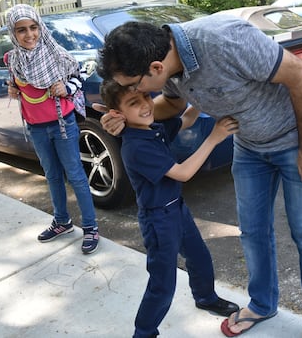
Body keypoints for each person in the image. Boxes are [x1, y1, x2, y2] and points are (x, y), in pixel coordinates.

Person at [95, 17, 302, 338]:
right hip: (250, 145)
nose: (135, 91)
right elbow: (172, 103)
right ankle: (263, 303)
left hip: (298, 138)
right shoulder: (164, 67)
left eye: (134, 85)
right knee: (252, 232)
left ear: (155, 68)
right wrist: (126, 121)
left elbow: (301, 75)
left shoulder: (224, 41)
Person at [100, 79, 240, 337]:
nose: (145, 105)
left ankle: (205, 297)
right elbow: (183, 173)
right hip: (158, 220)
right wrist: (214, 138)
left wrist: (199, 101)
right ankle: (144, 332)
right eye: (134, 103)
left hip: (177, 209)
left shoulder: (151, 128)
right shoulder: (136, 146)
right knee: (162, 285)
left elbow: (185, 120)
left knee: (199, 258)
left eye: (145, 97)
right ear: (117, 114)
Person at [4, 4, 99, 254]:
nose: (29, 34)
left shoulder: (57, 55)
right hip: (36, 128)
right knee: (52, 175)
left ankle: (90, 227)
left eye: (33, 27)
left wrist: (67, 88)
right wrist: (13, 90)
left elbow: (80, 75)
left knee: (76, 175)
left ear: (40, 27)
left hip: (62, 125)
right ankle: (62, 221)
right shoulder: (14, 59)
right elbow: (17, 85)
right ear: (12, 33)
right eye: (21, 30)